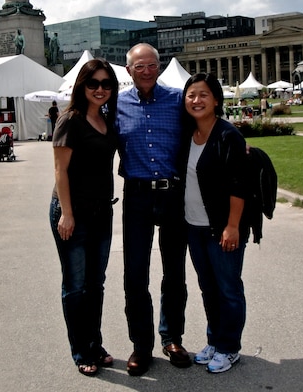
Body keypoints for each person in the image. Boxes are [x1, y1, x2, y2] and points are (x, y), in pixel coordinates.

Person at [115, 43, 190, 376]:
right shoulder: (116, 104)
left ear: (159, 67)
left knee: (174, 273)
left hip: (173, 194)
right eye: (139, 66)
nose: (146, 71)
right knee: (135, 274)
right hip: (137, 196)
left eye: (152, 65)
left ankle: (171, 337)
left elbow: (207, 126)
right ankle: (141, 345)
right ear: (128, 70)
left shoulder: (177, 100)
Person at [49, 58, 119, 377]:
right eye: (93, 83)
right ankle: (81, 350)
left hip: (102, 211)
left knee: (96, 284)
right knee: (76, 285)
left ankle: (95, 342)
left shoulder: (107, 119)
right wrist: (66, 213)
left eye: (106, 84)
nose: (100, 89)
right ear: (82, 86)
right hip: (72, 213)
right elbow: (60, 170)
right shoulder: (71, 120)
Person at [180, 73, 249, 374]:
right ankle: (215, 340)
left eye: (203, 95)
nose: (196, 100)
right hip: (194, 226)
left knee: (228, 288)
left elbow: (239, 185)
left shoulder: (227, 135)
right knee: (208, 288)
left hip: (222, 227)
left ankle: (230, 347)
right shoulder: (188, 135)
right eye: (191, 95)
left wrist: (232, 226)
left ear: (217, 100)